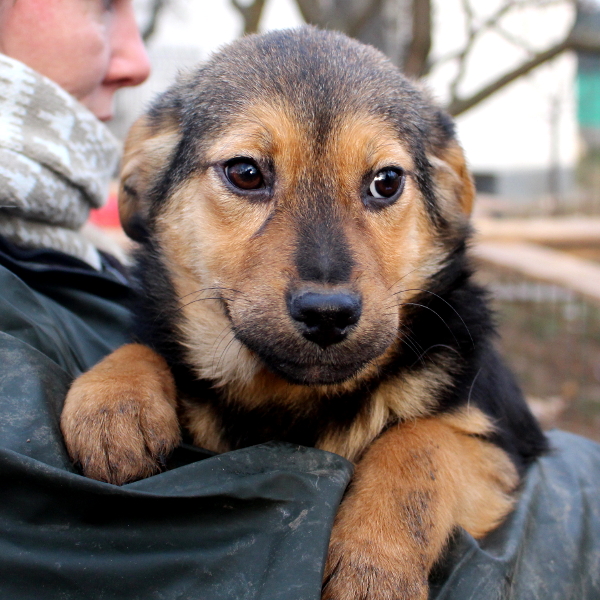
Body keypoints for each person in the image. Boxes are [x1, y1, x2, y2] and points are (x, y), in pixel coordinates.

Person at [1, 3, 600, 600]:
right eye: (247, 175)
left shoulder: (62, 247)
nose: (329, 290)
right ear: (153, 182)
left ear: (445, 193)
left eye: (382, 184)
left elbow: (499, 451)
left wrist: (406, 500)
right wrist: (135, 366)